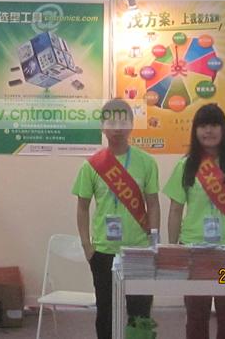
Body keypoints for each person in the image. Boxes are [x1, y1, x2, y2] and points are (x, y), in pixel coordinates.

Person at [163, 103, 225, 339]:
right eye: (203, 125)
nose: (209, 131)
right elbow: (175, 210)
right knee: (196, 317)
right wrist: (173, 248)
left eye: (214, 124)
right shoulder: (186, 165)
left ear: (223, 129)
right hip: (194, 251)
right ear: (195, 130)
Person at [72, 98, 160, 339]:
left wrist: (154, 242)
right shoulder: (92, 166)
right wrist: (87, 246)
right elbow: (82, 208)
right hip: (103, 251)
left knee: (140, 314)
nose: (117, 128)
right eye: (111, 122)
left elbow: (153, 203)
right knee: (106, 313)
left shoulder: (146, 162)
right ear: (102, 127)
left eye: (123, 122)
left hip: (139, 250)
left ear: (131, 125)